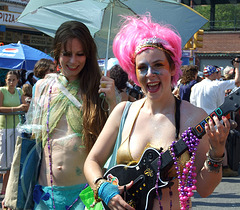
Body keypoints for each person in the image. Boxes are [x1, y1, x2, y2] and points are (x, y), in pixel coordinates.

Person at [84, 15, 230, 210]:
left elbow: (204, 189)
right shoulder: (123, 112)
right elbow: (92, 161)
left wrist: (216, 152)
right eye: (142, 67)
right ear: (134, 73)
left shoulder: (195, 118)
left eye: (158, 65)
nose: (150, 74)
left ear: (172, 68)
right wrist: (104, 190)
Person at [3, 21, 116, 209]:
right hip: (46, 196)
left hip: (86, 197)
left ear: (88, 55)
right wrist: (13, 193)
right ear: (57, 53)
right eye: (67, 54)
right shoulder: (42, 87)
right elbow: (28, 143)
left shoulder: (99, 91)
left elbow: (114, 140)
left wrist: (112, 101)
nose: (73, 61)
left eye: (80, 54)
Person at [190, 64, 240, 177]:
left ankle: (200, 167)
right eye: (217, 73)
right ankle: (225, 167)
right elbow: (237, 82)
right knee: (220, 143)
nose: (219, 75)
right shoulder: (216, 85)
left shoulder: (196, 87)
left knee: (202, 145)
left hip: (199, 119)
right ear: (212, 74)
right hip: (214, 119)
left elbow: (192, 103)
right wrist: (237, 66)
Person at [0, 70, 29, 195]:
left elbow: (25, 107)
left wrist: (28, 104)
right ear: (5, 80)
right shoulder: (1, 90)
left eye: (13, 80)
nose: (11, 82)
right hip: (3, 128)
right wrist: (15, 109)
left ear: (17, 81)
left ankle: (5, 189)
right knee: (3, 160)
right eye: (9, 79)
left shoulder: (19, 91)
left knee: (12, 160)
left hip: (16, 128)